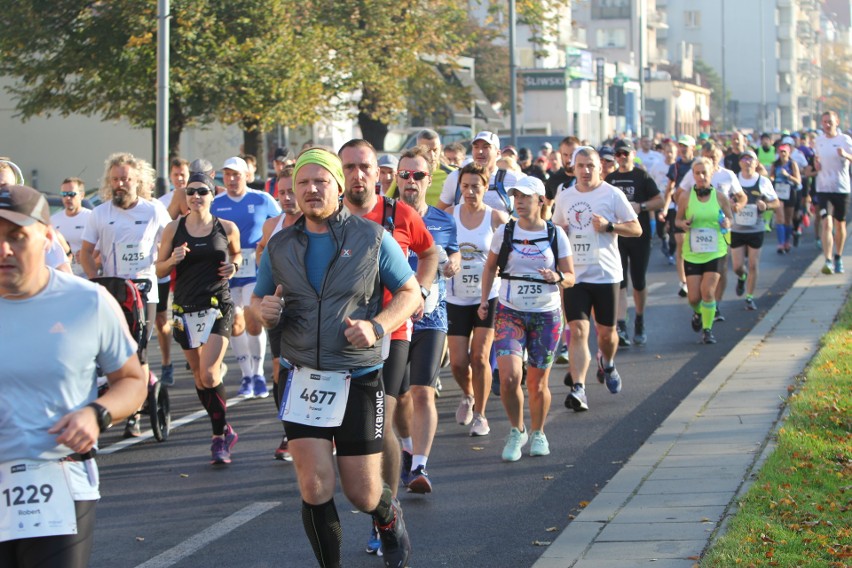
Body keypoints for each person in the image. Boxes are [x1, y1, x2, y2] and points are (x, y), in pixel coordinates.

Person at [252, 147, 418, 568]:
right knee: (314, 485)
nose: (310, 190)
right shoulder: (281, 245)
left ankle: (386, 514)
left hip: (357, 375)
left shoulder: (372, 237)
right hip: (301, 376)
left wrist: (378, 326)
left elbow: (410, 293)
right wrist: (261, 310)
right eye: (303, 182)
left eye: (320, 181)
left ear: (339, 187)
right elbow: (258, 301)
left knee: (361, 492)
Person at [0, 184, 147, 568]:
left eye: (16, 237)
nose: (4, 250)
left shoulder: (88, 301)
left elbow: (132, 380)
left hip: (60, 482)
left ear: (48, 237)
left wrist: (96, 414)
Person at [338, 139, 437, 555]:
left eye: (365, 167)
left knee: (384, 413)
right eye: (349, 168)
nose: (358, 175)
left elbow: (429, 251)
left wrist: (421, 290)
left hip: (391, 329)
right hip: (340, 334)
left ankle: (386, 512)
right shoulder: (330, 215)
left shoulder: (399, 213)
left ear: (379, 174)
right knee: (352, 424)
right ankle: (378, 501)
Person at [478, 176, 575, 461]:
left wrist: (557, 276)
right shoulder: (505, 232)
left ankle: (538, 432)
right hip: (510, 311)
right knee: (509, 377)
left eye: (525, 197)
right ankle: (515, 429)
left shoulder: (555, 233)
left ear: (540, 200)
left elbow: (571, 276)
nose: (519, 202)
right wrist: (485, 301)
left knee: (537, 383)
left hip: (546, 314)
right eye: (516, 196)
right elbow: (490, 268)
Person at [79, 152, 171, 437]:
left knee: (138, 351)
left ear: (137, 181)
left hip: (144, 289)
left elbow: (169, 241)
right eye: (115, 179)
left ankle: (134, 414)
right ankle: (130, 388)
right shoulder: (100, 213)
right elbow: (85, 253)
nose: (120, 184)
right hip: (113, 290)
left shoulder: (153, 211)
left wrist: (163, 262)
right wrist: (96, 280)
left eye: (126, 179)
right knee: (111, 351)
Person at [155, 173, 242, 463]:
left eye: (202, 191)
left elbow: (238, 254)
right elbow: (158, 271)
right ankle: (223, 428)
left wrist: (235, 266)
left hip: (218, 306)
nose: (196, 197)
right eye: (191, 192)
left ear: (211, 195)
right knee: (198, 376)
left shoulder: (226, 227)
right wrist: (172, 260)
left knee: (209, 373)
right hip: (185, 307)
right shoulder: (173, 229)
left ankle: (219, 438)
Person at [392, 146, 460, 493]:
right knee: (399, 396)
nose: (411, 181)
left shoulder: (443, 219)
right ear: (396, 178)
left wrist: (456, 262)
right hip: (394, 320)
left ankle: (420, 466)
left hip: (432, 318)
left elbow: (453, 250)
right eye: (405, 174)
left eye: (418, 175)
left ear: (428, 179)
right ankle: (405, 447)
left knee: (422, 391)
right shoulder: (386, 218)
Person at [552, 148, 641, 412]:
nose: (585, 170)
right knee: (578, 331)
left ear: (600, 167)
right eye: (580, 166)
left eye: (590, 165)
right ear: (574, 168)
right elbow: (555, 229)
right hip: (575, 276)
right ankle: (578, 388)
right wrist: (562, 232)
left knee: (607, 334)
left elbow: (636, 229)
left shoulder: (612, 194)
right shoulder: (565, 196)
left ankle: (608, 362)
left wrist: (609, 227)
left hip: (606, 274)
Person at [445, 162, 510, 433]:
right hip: (455, 295)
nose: (470, 192)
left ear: (486, 187)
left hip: (488, 295)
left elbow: (511, 252)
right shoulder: (449, 215)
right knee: (459, 362)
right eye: (465, 187)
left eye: (476, 186)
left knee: (480, 358)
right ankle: (469, 395)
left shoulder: (496, 218)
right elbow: (434, 249)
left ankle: (481, 415)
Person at [211, 156, 281, 399]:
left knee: (253, 320)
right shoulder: (216, 203)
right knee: (236, 323)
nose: (231, 179)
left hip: (256, 269)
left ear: (247, 176)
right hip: (227, 271)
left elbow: (281, 223)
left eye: (236, 174)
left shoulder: (262, 199)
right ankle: (247, 375)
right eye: (227, 174)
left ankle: (259, 374)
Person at [256, 167, 301, 461]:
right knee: (279, 368)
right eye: (281, 193)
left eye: (290, 191)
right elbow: (261, 251)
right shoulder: (273, 225)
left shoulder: (320, 222)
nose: (286, 198)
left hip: (311, 305)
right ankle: (289, 430)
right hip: (279, 303)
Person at [606, 139, 664, 346]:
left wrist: (642, 206)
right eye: (618, 154)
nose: (622, 157)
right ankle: (621, 324)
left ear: (632, 155)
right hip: (617, 236)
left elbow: (660, 200)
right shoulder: (610, 179)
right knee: (620, 281)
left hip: (639, 235)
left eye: (625, 153)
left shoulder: (642, 176)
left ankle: (639, 319)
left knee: (638, 280)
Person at [678, 142, 746, 320]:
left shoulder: (728, 175)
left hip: (720, 232)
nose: (710, 158)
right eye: (707, 155)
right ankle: (705, 307)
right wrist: (687, 209)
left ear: (720, 157)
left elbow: (741, 196)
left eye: (713, 156)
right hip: (697, 234)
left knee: (720, 272)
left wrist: (737, 205)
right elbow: (679, 194)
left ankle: (715, 306)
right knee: (697, 290)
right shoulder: (694, 173)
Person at [675, 158, 734, 344]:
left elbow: (731, 218)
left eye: (704, 173)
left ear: (711, 174)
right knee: (693, 297)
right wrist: (683, 224)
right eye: (697, 173)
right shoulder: (685, 197)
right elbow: (677, 220)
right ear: (693, 175)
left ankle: (707, 330)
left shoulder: (720, 197)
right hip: (693, 252)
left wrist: (727, 223)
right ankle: (699, 312)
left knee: (707, 292)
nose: (701, 176)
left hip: (715, 250)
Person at [730, 150, 780, 311]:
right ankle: (742, 277)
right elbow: (723, 200)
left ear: (757, 163)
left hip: (756, 227)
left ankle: (749, 297)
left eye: (751, 159)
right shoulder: (734, 180)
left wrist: (766, 206)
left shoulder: (763, 181)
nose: (747, 162)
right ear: (740, 163)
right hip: (736, 228)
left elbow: (776, 202)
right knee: (737, 266)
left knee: (753, 264)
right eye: (744, 159)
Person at [437, 131, 523, 216]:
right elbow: (439, 213)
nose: (480, 151)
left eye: (486, 147)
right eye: (476, 147)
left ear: (498, 153)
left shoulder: (512, 178)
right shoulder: (456, 176)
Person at [814, 111, 852, 274]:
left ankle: (838, 256)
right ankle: (828, 259)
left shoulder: (844, 140)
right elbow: (817, 161)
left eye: (830, 122)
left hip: (841, 188)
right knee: (826, 223)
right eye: (824, 122)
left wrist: (846, 155)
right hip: (823, 188)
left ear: (837, 122)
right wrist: (816, 165)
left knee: (840, 224)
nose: (827, 125)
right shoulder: (818, 141)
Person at [660, 134, 697, 298]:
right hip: (678, 208)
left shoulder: (698, 165)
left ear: (692, 148)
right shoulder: (675, 167)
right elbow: (670, 189)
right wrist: (666, 209)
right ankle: (683, 282)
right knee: (681, 244)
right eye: (681, 146)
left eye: (686, 146)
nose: (682, 149)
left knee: (694, 245)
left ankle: (695, 277)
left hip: (696, 209)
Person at [51, 177, 93, 277]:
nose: (67, 198)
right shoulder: (53, 220)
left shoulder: (91, 217)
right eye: (64, 194)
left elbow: (102, 247)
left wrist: (87, 254)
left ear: (82, 195)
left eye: (71, 194)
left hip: (86, 275)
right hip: (63, 276)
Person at [770, 141, 802, 254]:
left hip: (790, 192)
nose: (782, 154)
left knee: (788, 219)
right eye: (780, 152)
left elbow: (798, 181)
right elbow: (771, 175)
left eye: (784, 152)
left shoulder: (792, 164)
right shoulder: (775, 164)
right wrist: (772, 178)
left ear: (788, 152)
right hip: (778, 193)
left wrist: (788, 176)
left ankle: (787, 241)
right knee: (780, 219)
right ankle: (780, 244)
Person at [650, 139, 677, 264]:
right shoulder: (657, 166)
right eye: (667, 152)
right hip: (660, 201)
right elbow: (651, 181)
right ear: (664, 152)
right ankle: (664, 241)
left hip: (674, 203)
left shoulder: (677, 167)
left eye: (671, 152)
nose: (669, 154)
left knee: (673, 231)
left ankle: (671, 249)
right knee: (661, 230)